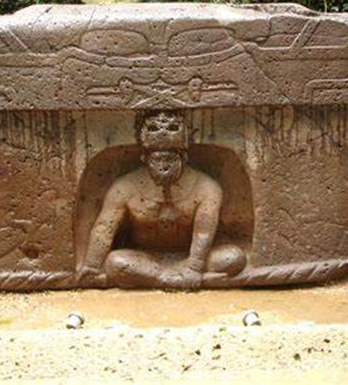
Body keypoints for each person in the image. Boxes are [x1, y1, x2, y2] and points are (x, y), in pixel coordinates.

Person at [77, 110, 246, 288]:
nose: (163, 166)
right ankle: (165, 278)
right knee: (115, 261)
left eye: (170, 160)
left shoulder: (207, 187)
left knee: (233, 257)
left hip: (192, 259)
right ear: (144, 158)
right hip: (145, 258)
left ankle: (160, 278)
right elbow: (104, 230)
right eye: (156, 160)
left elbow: (204, 232)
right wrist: (92, 267)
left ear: (184, 158)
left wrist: (194, 267)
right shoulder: (125, 187)